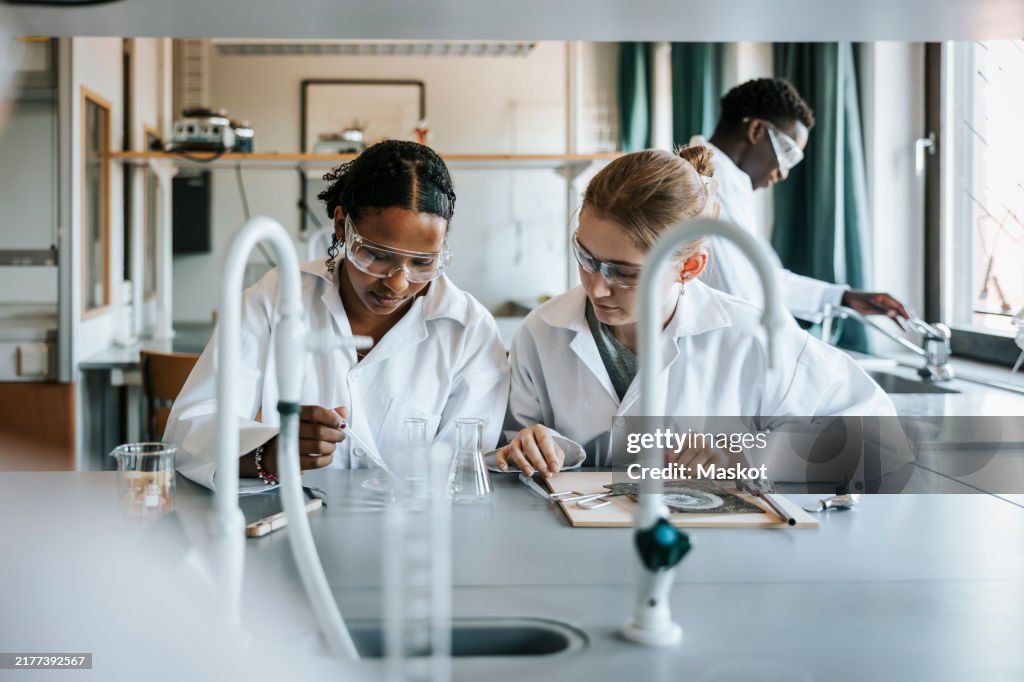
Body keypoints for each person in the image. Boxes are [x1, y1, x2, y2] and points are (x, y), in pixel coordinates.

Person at [498, 147, 895, 476]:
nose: (596, 287)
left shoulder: (753, 337)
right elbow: (500, 448)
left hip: (712, 559)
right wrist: (528, 448)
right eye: (586, 258)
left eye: (624, 273)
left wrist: (748, 458)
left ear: (689, 267)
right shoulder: (542, 331)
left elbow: (879, 440)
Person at [165, 140, 510, 490]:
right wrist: (267, 454)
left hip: (413, 532)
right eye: (376, 255)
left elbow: (464, 471)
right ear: (341, 225)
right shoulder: (276, 299)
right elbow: (192, 428)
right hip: (294, 527)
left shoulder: (470, 331)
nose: (397, 282)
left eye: (422, 263)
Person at [691, 77, 911, 327]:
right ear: (755, 131)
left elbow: (763, 280)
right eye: (788, 154)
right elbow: (743, 297)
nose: (783, 173)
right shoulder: (705, 187)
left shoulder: (729, 184)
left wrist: (842, 297)